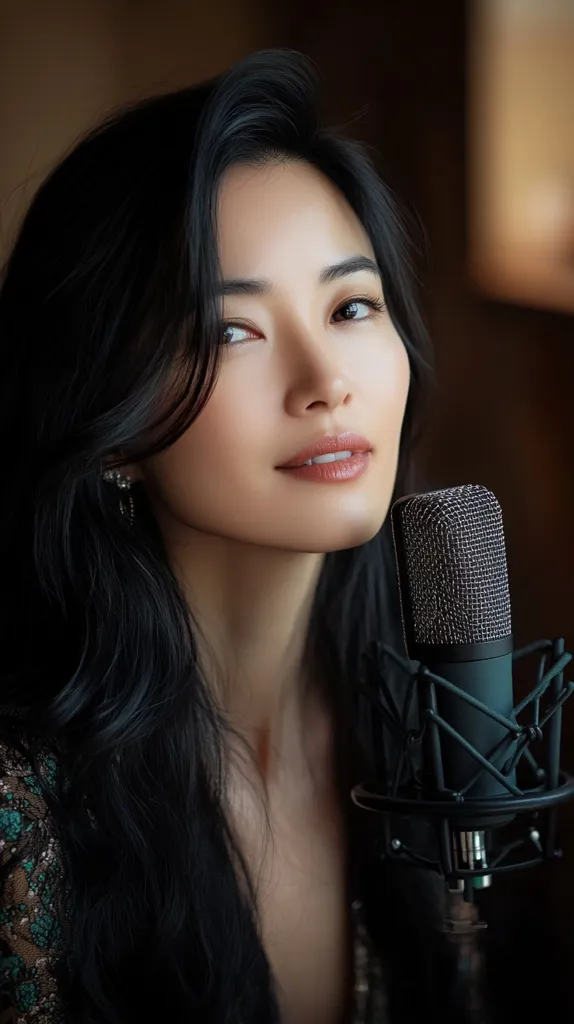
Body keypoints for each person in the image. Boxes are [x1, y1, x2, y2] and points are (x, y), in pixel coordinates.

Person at [0, 49, 470, 1023]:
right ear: (112, 422)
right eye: (232, 332)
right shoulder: (22, 811)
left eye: (350, 307)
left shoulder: (438, 740)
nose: (325, 381)